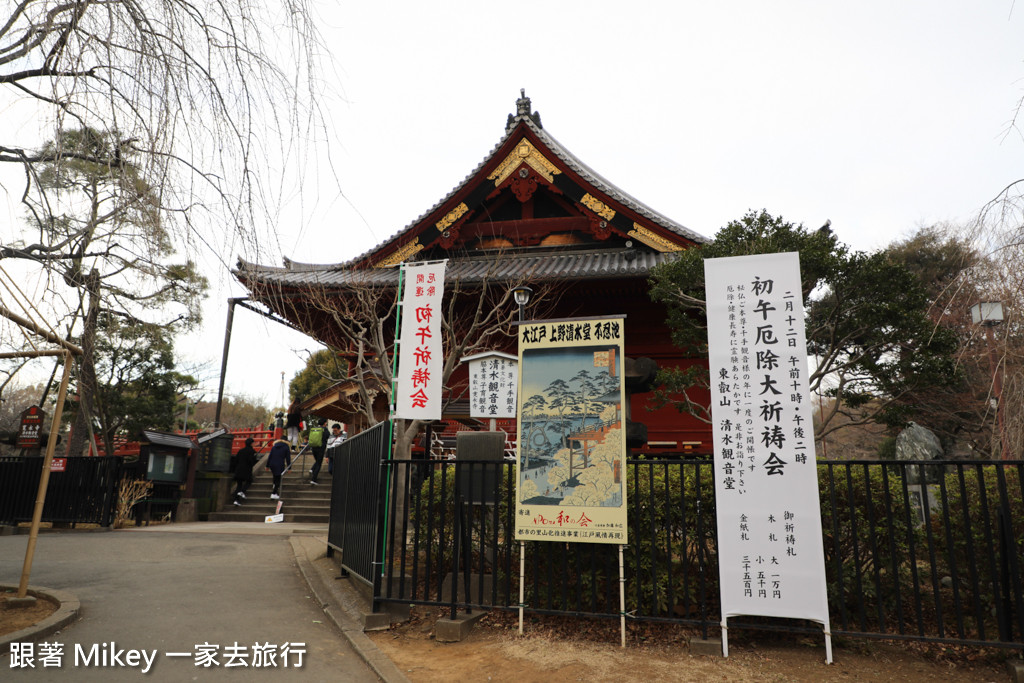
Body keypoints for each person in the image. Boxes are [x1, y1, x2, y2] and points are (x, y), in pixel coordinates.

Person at [231, 437, 257, 506]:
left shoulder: (241, 451)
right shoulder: (252, 451)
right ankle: (243, 491)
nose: (254, 444)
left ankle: (236, 500)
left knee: (239, 485)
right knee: (249, 481)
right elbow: (251, 461)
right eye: (253, 443)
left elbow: (236, 460)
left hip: (238, 470)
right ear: (251, 444)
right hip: (246, 470)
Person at [307, 418, 327, 485]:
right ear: (324, 423)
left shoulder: (314, 429)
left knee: (317, 461)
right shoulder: (325, 430)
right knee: (319, 463)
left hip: (313, 447)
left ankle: (312, 469)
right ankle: (313, 479)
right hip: (321, 448)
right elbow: (328, 437)